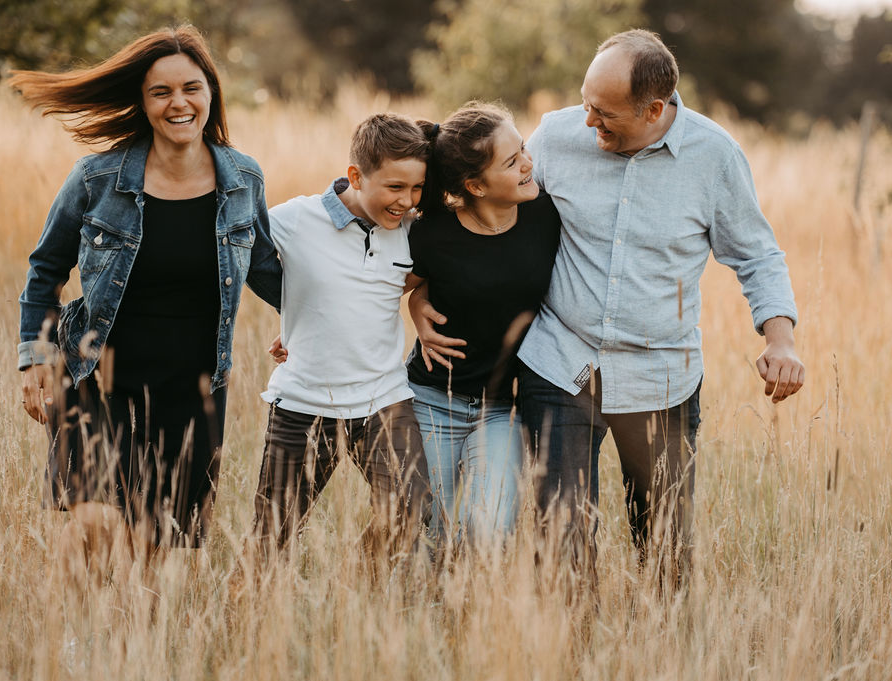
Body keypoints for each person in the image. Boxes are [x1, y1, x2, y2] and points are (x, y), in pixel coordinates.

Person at [417, 30, 805, 579]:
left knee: (665, 542)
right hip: (561, 363)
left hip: (662, 374)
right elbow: (486, 204)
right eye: (584, 102)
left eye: (604, 113)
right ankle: (572, 654)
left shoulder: (714, 157)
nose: (587, 121)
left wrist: (780, 339)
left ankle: (657, 652)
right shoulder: (552, 137)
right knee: (561, 537)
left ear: (654, 109)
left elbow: (757, 255)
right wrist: (421, 290)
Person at [11, 26, 282, 569]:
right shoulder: (98, 178)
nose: (178, 103)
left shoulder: (242, 179)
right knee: (95, 523)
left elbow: (269, 270)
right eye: (161, 92)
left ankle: (134, 651)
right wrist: (35, 358)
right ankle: (73, 648)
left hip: (194, 387)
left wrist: (301, 322)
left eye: (191, 88)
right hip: (96, 374)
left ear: (211, 94)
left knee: (155, 546)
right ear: (143, 101)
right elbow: (46, 267)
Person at [251, 113, 432, 562]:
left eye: (416, 189)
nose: (406, 201)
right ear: (355, 175)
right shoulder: (295, 219)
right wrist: (292, 314)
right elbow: (239, 258)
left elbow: (403, 285)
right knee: (271, 538)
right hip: (304, 404)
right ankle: (242, 615)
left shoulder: (412, 231)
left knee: (410, 509)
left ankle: (354, 591)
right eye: (394, 187)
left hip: (383, 401)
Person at [405, 103, 561, 541]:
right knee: (426, 534)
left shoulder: (545, 216)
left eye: (524, 149)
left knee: (489, 529)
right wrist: (416, 304)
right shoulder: (432, 233)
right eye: (512, 162)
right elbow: (376, 289)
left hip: (503, 410)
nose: (529, 163)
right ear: (475, 184)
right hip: (431, 399)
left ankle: (475, 607)